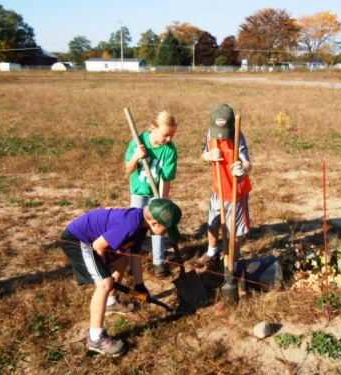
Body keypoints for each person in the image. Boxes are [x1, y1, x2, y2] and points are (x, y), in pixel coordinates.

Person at [59, 198, 182, 356]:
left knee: (123, 260)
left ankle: (111, 302)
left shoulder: (141, 226)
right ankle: (95, 338)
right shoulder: (130, 224)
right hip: (77, 240)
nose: (166, 234)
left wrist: (139, 285)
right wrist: (103, 274)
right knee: (105, 283)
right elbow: (98, 246)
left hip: (94, 241)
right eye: (166, 230)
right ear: (156, 223)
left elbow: (135, 255)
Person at [194, 103, 252, 268]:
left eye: (223, 133)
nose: (220, 137)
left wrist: (243, 169)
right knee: (212, 224)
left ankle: (232, 261)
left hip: (236, 192)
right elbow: (202, 155)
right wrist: (208, 156)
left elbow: (248, 163)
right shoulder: (211, 134)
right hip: (218, 189)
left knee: (235, 232)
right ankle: (212, 251)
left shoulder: (237, 136)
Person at [125, 110, 178, 278]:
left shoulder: (169, 150)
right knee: (135, 226)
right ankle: (131, 260)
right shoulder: (138, 142)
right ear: (152, 128)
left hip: (157, 191)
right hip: (139, 190)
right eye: (166, 135)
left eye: (172, 135)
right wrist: (136, 157)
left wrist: (161, 202)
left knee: (158, 225)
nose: (169, 139)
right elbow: (128, 169)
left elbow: (165, 178)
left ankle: (159, 262)